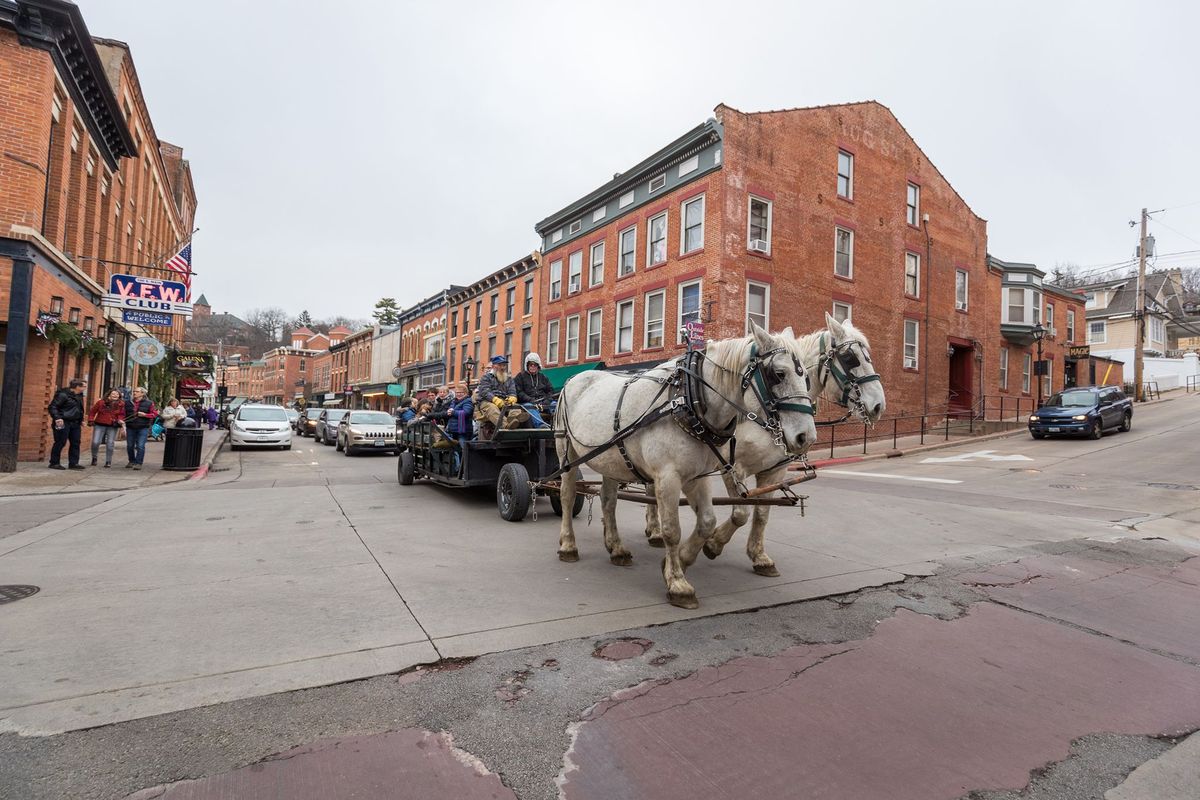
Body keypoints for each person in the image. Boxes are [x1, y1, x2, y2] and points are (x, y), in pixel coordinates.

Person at [473, 355, 529, 437]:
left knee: (517, 407)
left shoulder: (509, 379)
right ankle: (506, 425)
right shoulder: (486, 377)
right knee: (492, 408)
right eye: (499, 365)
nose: (502, 367)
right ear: (493, 366)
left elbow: (512, 391)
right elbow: (484, 391)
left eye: (504, 365)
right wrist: (494, 399)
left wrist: (512, 397)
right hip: (487, 402)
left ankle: (512, 420)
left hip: (504, 401)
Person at [429, 384, 473, 474]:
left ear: (465, 393)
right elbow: (450, 410)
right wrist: (450, 411)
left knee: (463, 450)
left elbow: (467, 412)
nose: (458, 394)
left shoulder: (468, 401)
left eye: (461, 392)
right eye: (457, 392)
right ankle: (457, 469)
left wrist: (453, 412)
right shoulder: (454, 401)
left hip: (463, 431)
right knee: (455, 450)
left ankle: (464, 470)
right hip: (453, 430)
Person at [48, 379, 87, 470]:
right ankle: (54, 463)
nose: (85, 388)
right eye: (84, 386)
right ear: (77, 387)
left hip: (75, 423)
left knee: (76, 443)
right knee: (60, 442)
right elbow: (52, 407)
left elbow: (79, 409)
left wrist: (81, 420)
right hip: (63, 421)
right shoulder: (63, 395)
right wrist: (57, 418)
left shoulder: (79, 396)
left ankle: (73, 463)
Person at [514, 352, 556, 429]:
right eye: (531, 364)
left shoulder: (543, 377)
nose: (533, 366)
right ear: (527, 365)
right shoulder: (520, 377)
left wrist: (546, 401)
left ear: (538, 366)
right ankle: (541, 426)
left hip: (544, 403)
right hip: (528, 403)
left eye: (535, 365)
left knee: (555, 404)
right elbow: (519, 393)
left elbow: (551, 391)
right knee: (529, 407)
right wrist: (531, 400)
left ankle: (557, 423)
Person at [87, 388, 125, 467]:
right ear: (109, 395)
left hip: (113, 425)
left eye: (117, 394)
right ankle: (94, 457)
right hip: (100, 424)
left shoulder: (121, 404)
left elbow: (122, 414)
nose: (115, 395)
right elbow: (92, 411)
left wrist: (120, 420)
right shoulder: (101, 402)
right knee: (95, 442)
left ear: (119, 396)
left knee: (110, 443)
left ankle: (108, 461)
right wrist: (91, 420)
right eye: (113, 394)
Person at [123, 386, 156, 470]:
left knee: (140, 446)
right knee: (130, 445)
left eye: (137, 391)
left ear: (142, 393)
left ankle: (138, 463)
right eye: (134, 391)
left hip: (143, 427)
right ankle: (131, 461)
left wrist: (145, 415)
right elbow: (123, 413)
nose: (134, 393)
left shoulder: (149, 403)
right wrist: (121, 420)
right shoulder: (128, 403)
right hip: (130, 426)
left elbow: (154, 414)